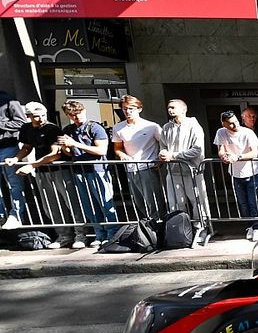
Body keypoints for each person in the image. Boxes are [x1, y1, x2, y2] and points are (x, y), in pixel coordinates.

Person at [5, 102, 80, 248]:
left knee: (71, 203)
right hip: (42, 171)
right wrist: (15, 158)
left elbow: (55, 154)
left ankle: (80, 234)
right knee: (51, 206)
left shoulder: (52, 129)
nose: (40, 119)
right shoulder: (26, 128)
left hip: (60, 171)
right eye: (36, 116)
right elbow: (27, 147)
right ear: (28, 117)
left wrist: (31, 165)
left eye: (43, 115)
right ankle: (63, 235)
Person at [58, 100, 119, 247]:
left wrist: (75, 144)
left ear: (84, 111)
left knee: (105, 202)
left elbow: (101, 150)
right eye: (72, 115)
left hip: (97, 170)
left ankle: (112, 233)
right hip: (79, 171)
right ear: (68, 115)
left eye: (79, 113)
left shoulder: (95, 127)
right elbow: (69, 153)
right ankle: (99, 233)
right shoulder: (68, 130)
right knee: (89, 205)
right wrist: (65, 147)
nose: (76, 117)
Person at [159, 99, 212, 244]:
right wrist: (163, 153)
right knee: (175, 203)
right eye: (168, 107)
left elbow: (197, 150)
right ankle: (181, 230)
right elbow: (163, 145)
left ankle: (201, 227)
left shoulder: (193, 126)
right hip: (173, 172)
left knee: (198, 201)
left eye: (173, 107)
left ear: (183, 109)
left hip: (192, 171)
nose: (170, 110)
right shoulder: (166, 127)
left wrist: (174, 156)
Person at [112, 94, 165, 220]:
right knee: (139, 202)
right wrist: (122, 155)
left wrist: (160, 159)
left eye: (131, 108)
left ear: (139, 109)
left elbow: (164, 143)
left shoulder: (152, 126)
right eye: (125, 109)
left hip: (148, 167)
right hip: (130, 168)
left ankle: (159, 226)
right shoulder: (118, 127)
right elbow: (118, 148)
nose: (128, 111)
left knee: (154, 201)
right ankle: (149, 227)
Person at [214, 110, 258, 241]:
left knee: (253, 202)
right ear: (224, 124)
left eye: (236, 122)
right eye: (230, 123)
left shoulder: (248, 132)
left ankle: (257, 227)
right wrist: (223, 156)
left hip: (252, 172)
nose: (235, 125)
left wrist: (237, 157)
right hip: (235, 174)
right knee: (243, 203)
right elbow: (220, 149)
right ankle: (249, 227)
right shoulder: (221, 132)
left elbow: (254, 153)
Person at [0, 92, 27, 230]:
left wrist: (1, 123)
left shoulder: (8, 99)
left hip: (7, 147)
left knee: (14, 183)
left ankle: (16, 215)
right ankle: (1, 215)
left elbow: (21, 122)